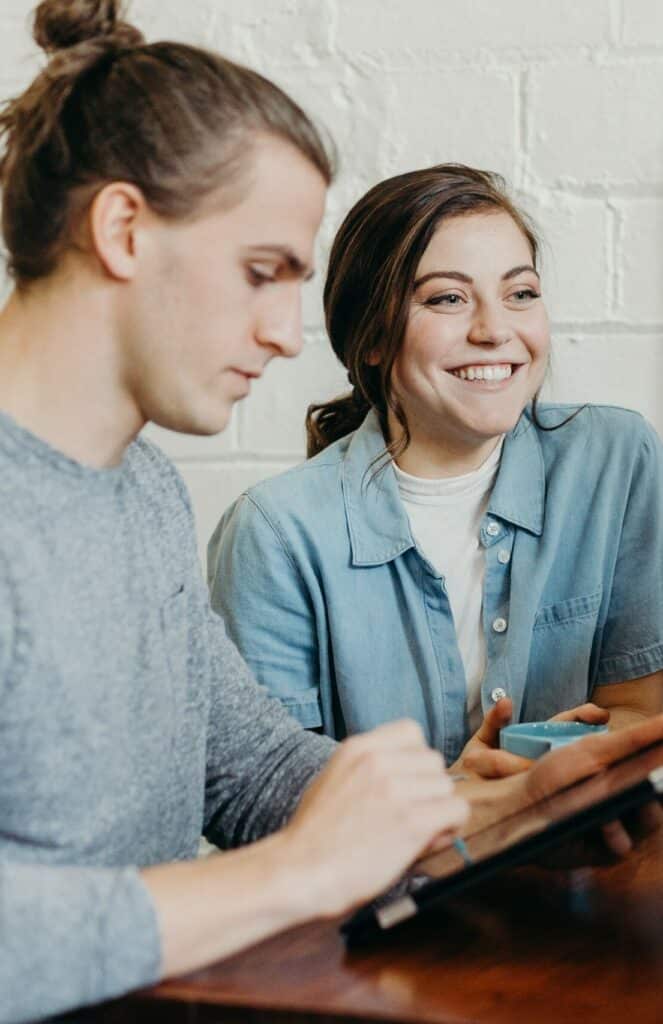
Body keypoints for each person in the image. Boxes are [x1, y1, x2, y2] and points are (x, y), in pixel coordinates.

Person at [1, 8, 661, 1024]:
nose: (281, 333)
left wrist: (487, 812)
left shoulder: (141, 491)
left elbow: (253, 766)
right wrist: (294, 875)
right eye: (261, 273)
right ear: (123, 229)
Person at [209, 164, 663, 778]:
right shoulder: (275, 534)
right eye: (447, 298)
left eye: (520, 293)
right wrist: (464, 802)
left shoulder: (616, 460)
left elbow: (640, 711)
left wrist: (544, 779)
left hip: (586, 861)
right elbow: (268, 797)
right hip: (393, 874)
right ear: (370, 337)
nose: (495, 330)